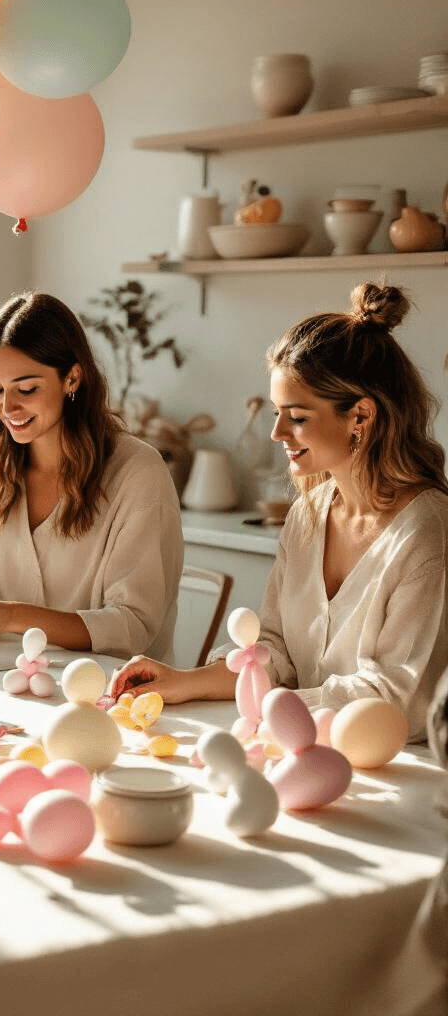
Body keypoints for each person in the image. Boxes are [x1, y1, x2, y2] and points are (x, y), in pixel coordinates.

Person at [111, 283, 448, 742]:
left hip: (399, 767)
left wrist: (269, 707)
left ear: (360, 417)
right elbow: (276, 650)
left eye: (298, 417)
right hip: (298, 743)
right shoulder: (307, 515)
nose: (277, 433)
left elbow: (397, 700)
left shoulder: (426, 533)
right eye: (276, 412)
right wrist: (185, 681)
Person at [0, 292, 183, 656]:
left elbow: (132, 626)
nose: (8, 407)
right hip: (1, 677)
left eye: (27, 389)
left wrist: (11, 616)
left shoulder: (138, 474)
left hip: (110, 685)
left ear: (72, 378)